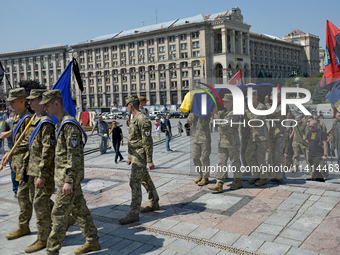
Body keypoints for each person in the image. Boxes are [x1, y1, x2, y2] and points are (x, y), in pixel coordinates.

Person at [41, 90, 100, 255]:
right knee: (80, 210)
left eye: (47, 105)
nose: (45, 108)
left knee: (58, 215)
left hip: (68, 180)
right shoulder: (60, 123)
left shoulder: (69, 125)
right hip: (65, 178)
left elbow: (74, 156)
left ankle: (51, 251)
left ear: (56, 103)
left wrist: (68, 180)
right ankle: (93, 241)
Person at [3, 89, 56, 253]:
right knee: (36, 201)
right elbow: (26, 142)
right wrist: (10, 154)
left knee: (40, 204)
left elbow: (48, 151)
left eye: (33, 100)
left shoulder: (44, 123)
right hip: (31, 167)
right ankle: (46, 231)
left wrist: (40, 173)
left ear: (41, 101)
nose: (29, 102)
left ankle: (44, 238)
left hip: (38, 169)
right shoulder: (34, 119)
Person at [118, 95, 159, 225]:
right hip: (135, 155)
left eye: (127, 106)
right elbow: (133, 140)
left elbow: (147, 141)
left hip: (140, 156)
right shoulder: (134, 119)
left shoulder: (143, 120)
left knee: (134, 182)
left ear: (130, 105)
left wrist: (150, 160)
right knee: (145, 179)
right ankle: (154, 201)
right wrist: (130, 157)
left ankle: (133, 213)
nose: (127, 109)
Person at [2, 88, 33, 241]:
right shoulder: (17, 118)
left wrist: (24, 164)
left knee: (24, 195)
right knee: (30, 195)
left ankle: (23, 226)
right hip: (17, 163)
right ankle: (67, 218)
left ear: (22, 101)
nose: (10, 104)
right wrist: (12, 159)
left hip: (25, 164)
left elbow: (29, 144)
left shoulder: (28, 119)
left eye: (13, 101)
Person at [208, 94, 242, 191]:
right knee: (221, 162)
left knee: (234, 162)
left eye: (226, 101)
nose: (224, 103)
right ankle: (219, 183)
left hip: (232, 143)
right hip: (222, 142)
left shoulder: (235, 112)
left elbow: (224, 124)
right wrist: (215, 115)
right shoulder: (223, 112)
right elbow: (213, 122)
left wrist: (215, 116)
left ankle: (238, 180)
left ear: (232, 102)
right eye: (223, 101)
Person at [245, 90, 268, 186]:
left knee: (261, 158)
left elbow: (254, 119)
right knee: (248, 155)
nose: (249, 99)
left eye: (251, 97)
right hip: (253, 136)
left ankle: (263, 178)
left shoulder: (261, 107)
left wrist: (246, 110)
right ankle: (256, 174)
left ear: (256, 96)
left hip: (261, 137)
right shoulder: (251, 107)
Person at [265, 91, 287, 182]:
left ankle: (280, 174)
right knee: (273, 155)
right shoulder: (270, 106)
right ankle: (277, 174)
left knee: (278, 154)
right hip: (272, 133)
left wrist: (266, 104)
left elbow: (275, 112)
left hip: (280, 134)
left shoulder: (283, 105)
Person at [187, 112, 212, 186]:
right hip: (196, 139)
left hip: (205, 139)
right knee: (195, 158)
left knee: (205, 158)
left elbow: (203, 123)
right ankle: (201, 174)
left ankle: (205, 177)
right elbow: (189, 121)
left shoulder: (206, 112)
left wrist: (200, 114)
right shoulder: (193, 112)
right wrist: (193, 113)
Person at [0, 110, 18, 197]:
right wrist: (12, 131)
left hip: (19, 150)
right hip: (10, 150)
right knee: (14, 171)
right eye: (15, 113)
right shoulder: (7, 122)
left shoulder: (22, 121)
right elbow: (2, 135)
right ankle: (16, 189)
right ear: (11, 113)